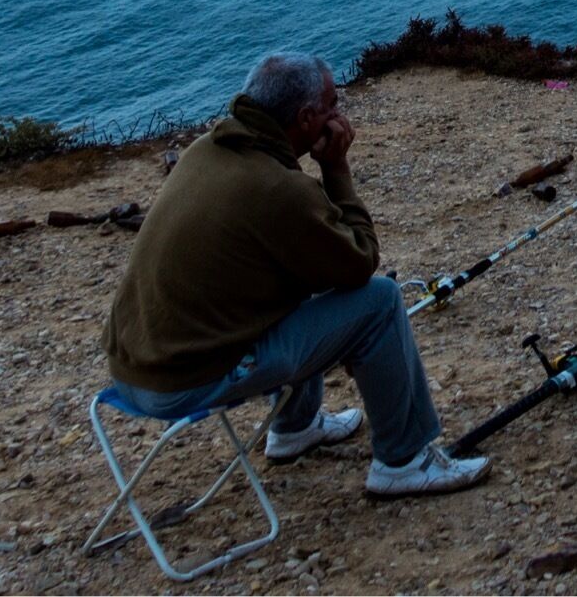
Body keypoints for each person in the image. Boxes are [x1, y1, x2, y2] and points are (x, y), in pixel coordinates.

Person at [102, 52, 489, 496]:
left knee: (297, 275)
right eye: (332, 106)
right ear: (306, 119)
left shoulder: (205, 150)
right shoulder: (277, 188)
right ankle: (403, 461)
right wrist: (336, 168)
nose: (339, 116)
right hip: (180, 383)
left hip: (132, 368)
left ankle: (294, 429)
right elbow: (360, 262)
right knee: (380, 302)